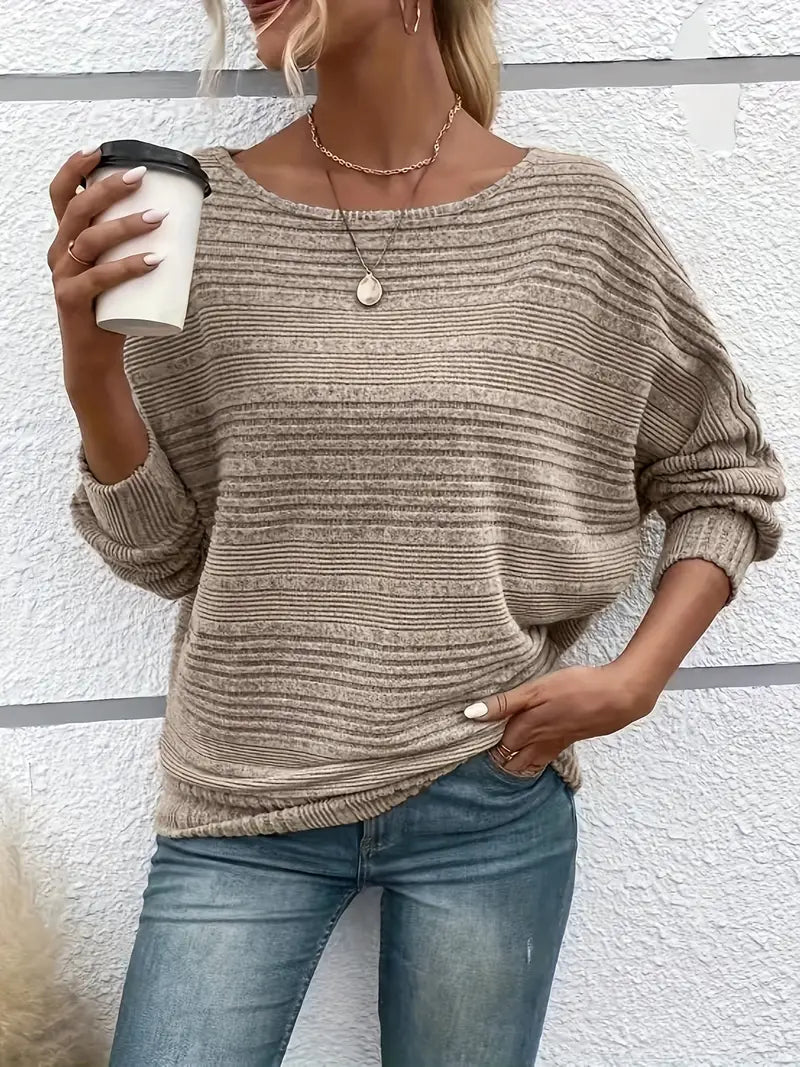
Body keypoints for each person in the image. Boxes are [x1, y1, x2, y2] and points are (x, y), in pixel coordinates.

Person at [47, 1, 785, 1063]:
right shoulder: (197, 215)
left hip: (486, 790)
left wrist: (635, 679)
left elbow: (722, 470)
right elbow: (164, 554)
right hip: (241, 795)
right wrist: (90, 368)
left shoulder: (576, 221)